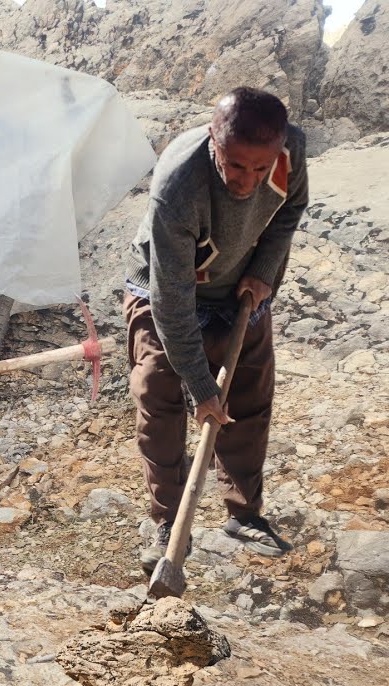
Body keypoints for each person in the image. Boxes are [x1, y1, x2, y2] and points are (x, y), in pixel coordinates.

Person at [126, 86, 308, 574]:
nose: (248, 181)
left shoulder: (292, 148)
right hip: (163, 291)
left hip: (240, 290)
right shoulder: (178, 186)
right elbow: (172, 300)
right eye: (235, 167)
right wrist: (201, 387)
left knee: (248, 399)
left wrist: (265, 270)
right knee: (160, 397)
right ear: (214, 140)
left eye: (259, 168)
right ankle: (168, 524)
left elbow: (288, 211)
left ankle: (244, 514)